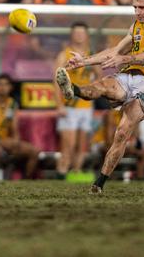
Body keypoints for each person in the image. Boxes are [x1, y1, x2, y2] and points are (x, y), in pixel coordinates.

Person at [55, 0, 144, 193]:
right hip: (129, 75)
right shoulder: (136, 26)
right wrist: (82, 62)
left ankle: (99, 183)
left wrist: (122, 59)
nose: (138, 12)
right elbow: (114, 51)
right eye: (135, 8)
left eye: (142, 7)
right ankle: (73, 90)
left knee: (122, 131)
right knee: (104, 85)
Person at [54, 22, 101, 178]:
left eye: (82, 32)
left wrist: (93, 91)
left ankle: (75, 174)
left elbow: (100, 76)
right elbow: (56, 81)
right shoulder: (64, 54)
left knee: (82, 145)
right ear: (71, 35)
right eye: (76, 32)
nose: (79, 35)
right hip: (69, 106)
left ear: (86, 35)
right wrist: (59, 105)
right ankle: (61, 173)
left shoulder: (91, 55)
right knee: (68, 144)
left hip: (86, 106)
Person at [0, 74, 40, 180]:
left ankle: (26, 181)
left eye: (6, 85)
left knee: (34, 151)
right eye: (0, 84)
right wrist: (1, 142)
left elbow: (14, 128)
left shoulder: (13, 104)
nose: (2, 87)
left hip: (6, 140)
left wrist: (16, 141)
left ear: (11, 87)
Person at [92, 108, 144, 179]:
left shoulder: (133, 116)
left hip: (119, 144)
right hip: (100, 142)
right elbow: (108, 141)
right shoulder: (110, 114)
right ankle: (107, 177)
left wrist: (131, 146)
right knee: (109, 150)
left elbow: (136, 138)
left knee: (142, 152)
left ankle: (140, 178)